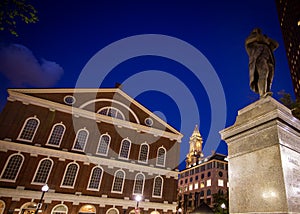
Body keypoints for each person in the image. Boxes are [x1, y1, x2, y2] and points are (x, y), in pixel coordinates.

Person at [245, 28, 278, 98]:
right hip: (259, 59)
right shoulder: (252, 45)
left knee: (270, 76)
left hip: (268, 60)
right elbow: (250, 40)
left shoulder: (266, 45)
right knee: (264, 72)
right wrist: (260, 36)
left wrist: (267, 39)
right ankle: (262, 94)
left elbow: (276, 44)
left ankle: (267, 91)